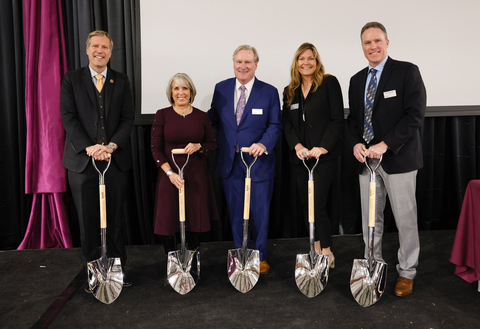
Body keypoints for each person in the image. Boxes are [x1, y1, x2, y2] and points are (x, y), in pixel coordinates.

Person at [347, 22, 426, 297]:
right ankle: (374, 266)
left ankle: (407, 272)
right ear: (362, 47)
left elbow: (414, 115)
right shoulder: (357, 80)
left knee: (405, 219)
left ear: (387, 42)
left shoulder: (406, 71)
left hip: (398, 160)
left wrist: (385, 144)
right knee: (371, 220)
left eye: (378, 41)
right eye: (367, 42)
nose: (373, 46)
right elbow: (354, 121)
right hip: (366, 163)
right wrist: (356, 142)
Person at [60, 30, 134, 291]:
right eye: (95, 46)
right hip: (82, 162)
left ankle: (116, 272)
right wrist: (90, 147)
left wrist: (111, 146)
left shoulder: (121, 80)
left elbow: (128, 118)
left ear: (111, 52)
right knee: (88, 219)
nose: (99, 50)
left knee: (114, 218)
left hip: (115, 160)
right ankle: (94, 273)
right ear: (87, 49)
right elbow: (68, 117)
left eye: (105, 47)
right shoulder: (72, 79)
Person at [208, 45, 282, 274]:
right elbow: (212, 119)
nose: (243, 66)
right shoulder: (221, 89)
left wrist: (264, 144)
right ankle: (242, 253)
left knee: (260, 213)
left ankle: (259, 256)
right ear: (233, 64)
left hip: (258, 164)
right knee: (236, 212)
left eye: (248, 62)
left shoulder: (269, 91)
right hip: (230, 163)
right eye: (239, 62)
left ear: (256, 65)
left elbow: (275, 125)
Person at [151, 73, 218, 285]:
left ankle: (191, 265)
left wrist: (199, 146)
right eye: (177, 89)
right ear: (171, 93)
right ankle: (173, 267)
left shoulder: (201, 116)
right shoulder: (162, 115)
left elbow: (211, 143)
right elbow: (155, 148)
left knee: (195, 218)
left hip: (196, 175)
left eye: (185, 88)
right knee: (168, 218)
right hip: (170, 175)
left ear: (191, 91)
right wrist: (169, 173)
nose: (181, 93)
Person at [282, 43, 344, 267]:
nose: (306, 63)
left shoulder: (329, 83)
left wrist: (323, 146)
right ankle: (315, 247)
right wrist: (297, 146)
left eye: (310, 58)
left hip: (323, 158)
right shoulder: (290, 91)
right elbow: (287, 124)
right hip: (300, 159)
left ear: (317, 62)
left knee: (318, 205)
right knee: (307, 205)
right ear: (296, 63)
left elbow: (338, 119)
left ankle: (326, 250)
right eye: (301, 58)